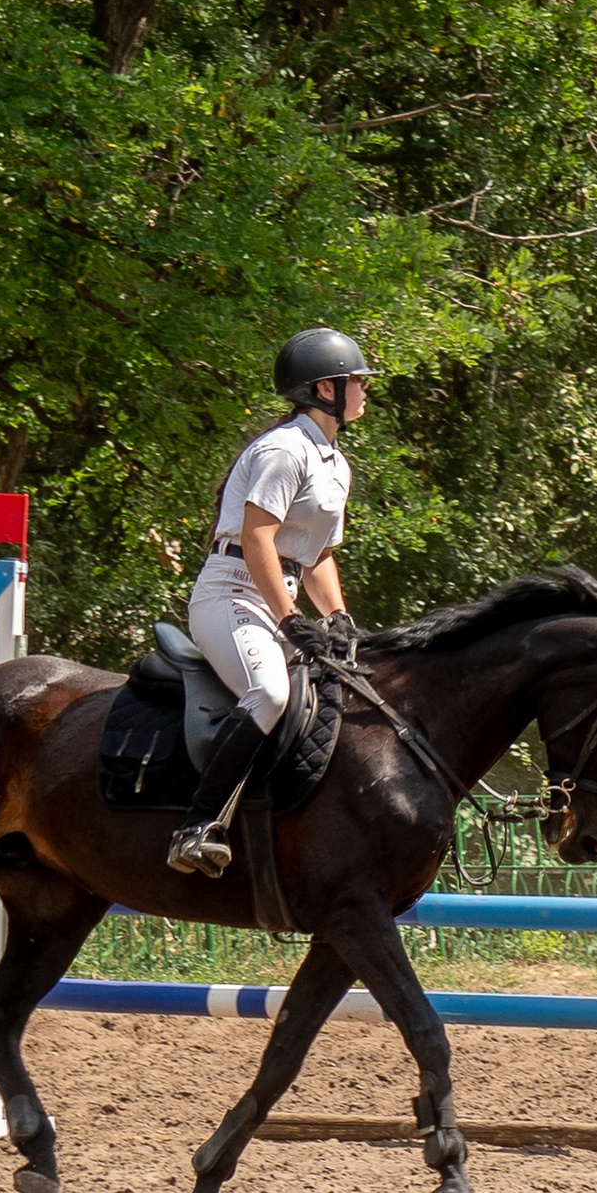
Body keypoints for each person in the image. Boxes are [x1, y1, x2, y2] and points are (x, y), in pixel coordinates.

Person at [167, 328, 369, 877]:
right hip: (231, 590)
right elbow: (258, 537)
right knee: (270, 692)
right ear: (324, 389)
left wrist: (338, 617)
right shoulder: (284, 449)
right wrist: (290, 618)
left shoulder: (334, 462)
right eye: (356, 381)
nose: (364, 390)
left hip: (280, 592)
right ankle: (197, 825)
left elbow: (318, 556)